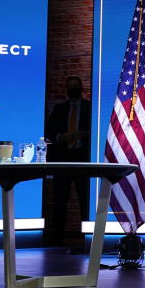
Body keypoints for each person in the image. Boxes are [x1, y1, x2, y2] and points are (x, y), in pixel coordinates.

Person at [45, 75, 92, 247]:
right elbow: (49, 132)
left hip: (83, 160)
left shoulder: (90, 107)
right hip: (63, 159)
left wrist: (85, 134)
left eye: (76, 86)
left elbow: (95, 131)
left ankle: (88, 238)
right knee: (60, 200)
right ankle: (57, 238)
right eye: (70, 86)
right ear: (67, 89)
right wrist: (61, 137)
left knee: (84, 199)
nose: (73, 89)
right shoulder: (59, 109)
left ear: (81, 88)